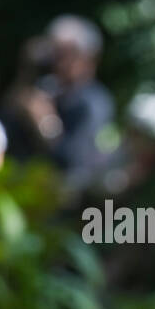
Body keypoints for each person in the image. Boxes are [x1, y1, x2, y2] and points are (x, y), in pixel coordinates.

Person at [23, 15, 116, 191]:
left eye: (64, 55)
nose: (56, 63)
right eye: (54, 54)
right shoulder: (49, 89)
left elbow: (75, 163)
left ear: (89, 57)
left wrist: (44, 121)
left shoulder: (93, 103)